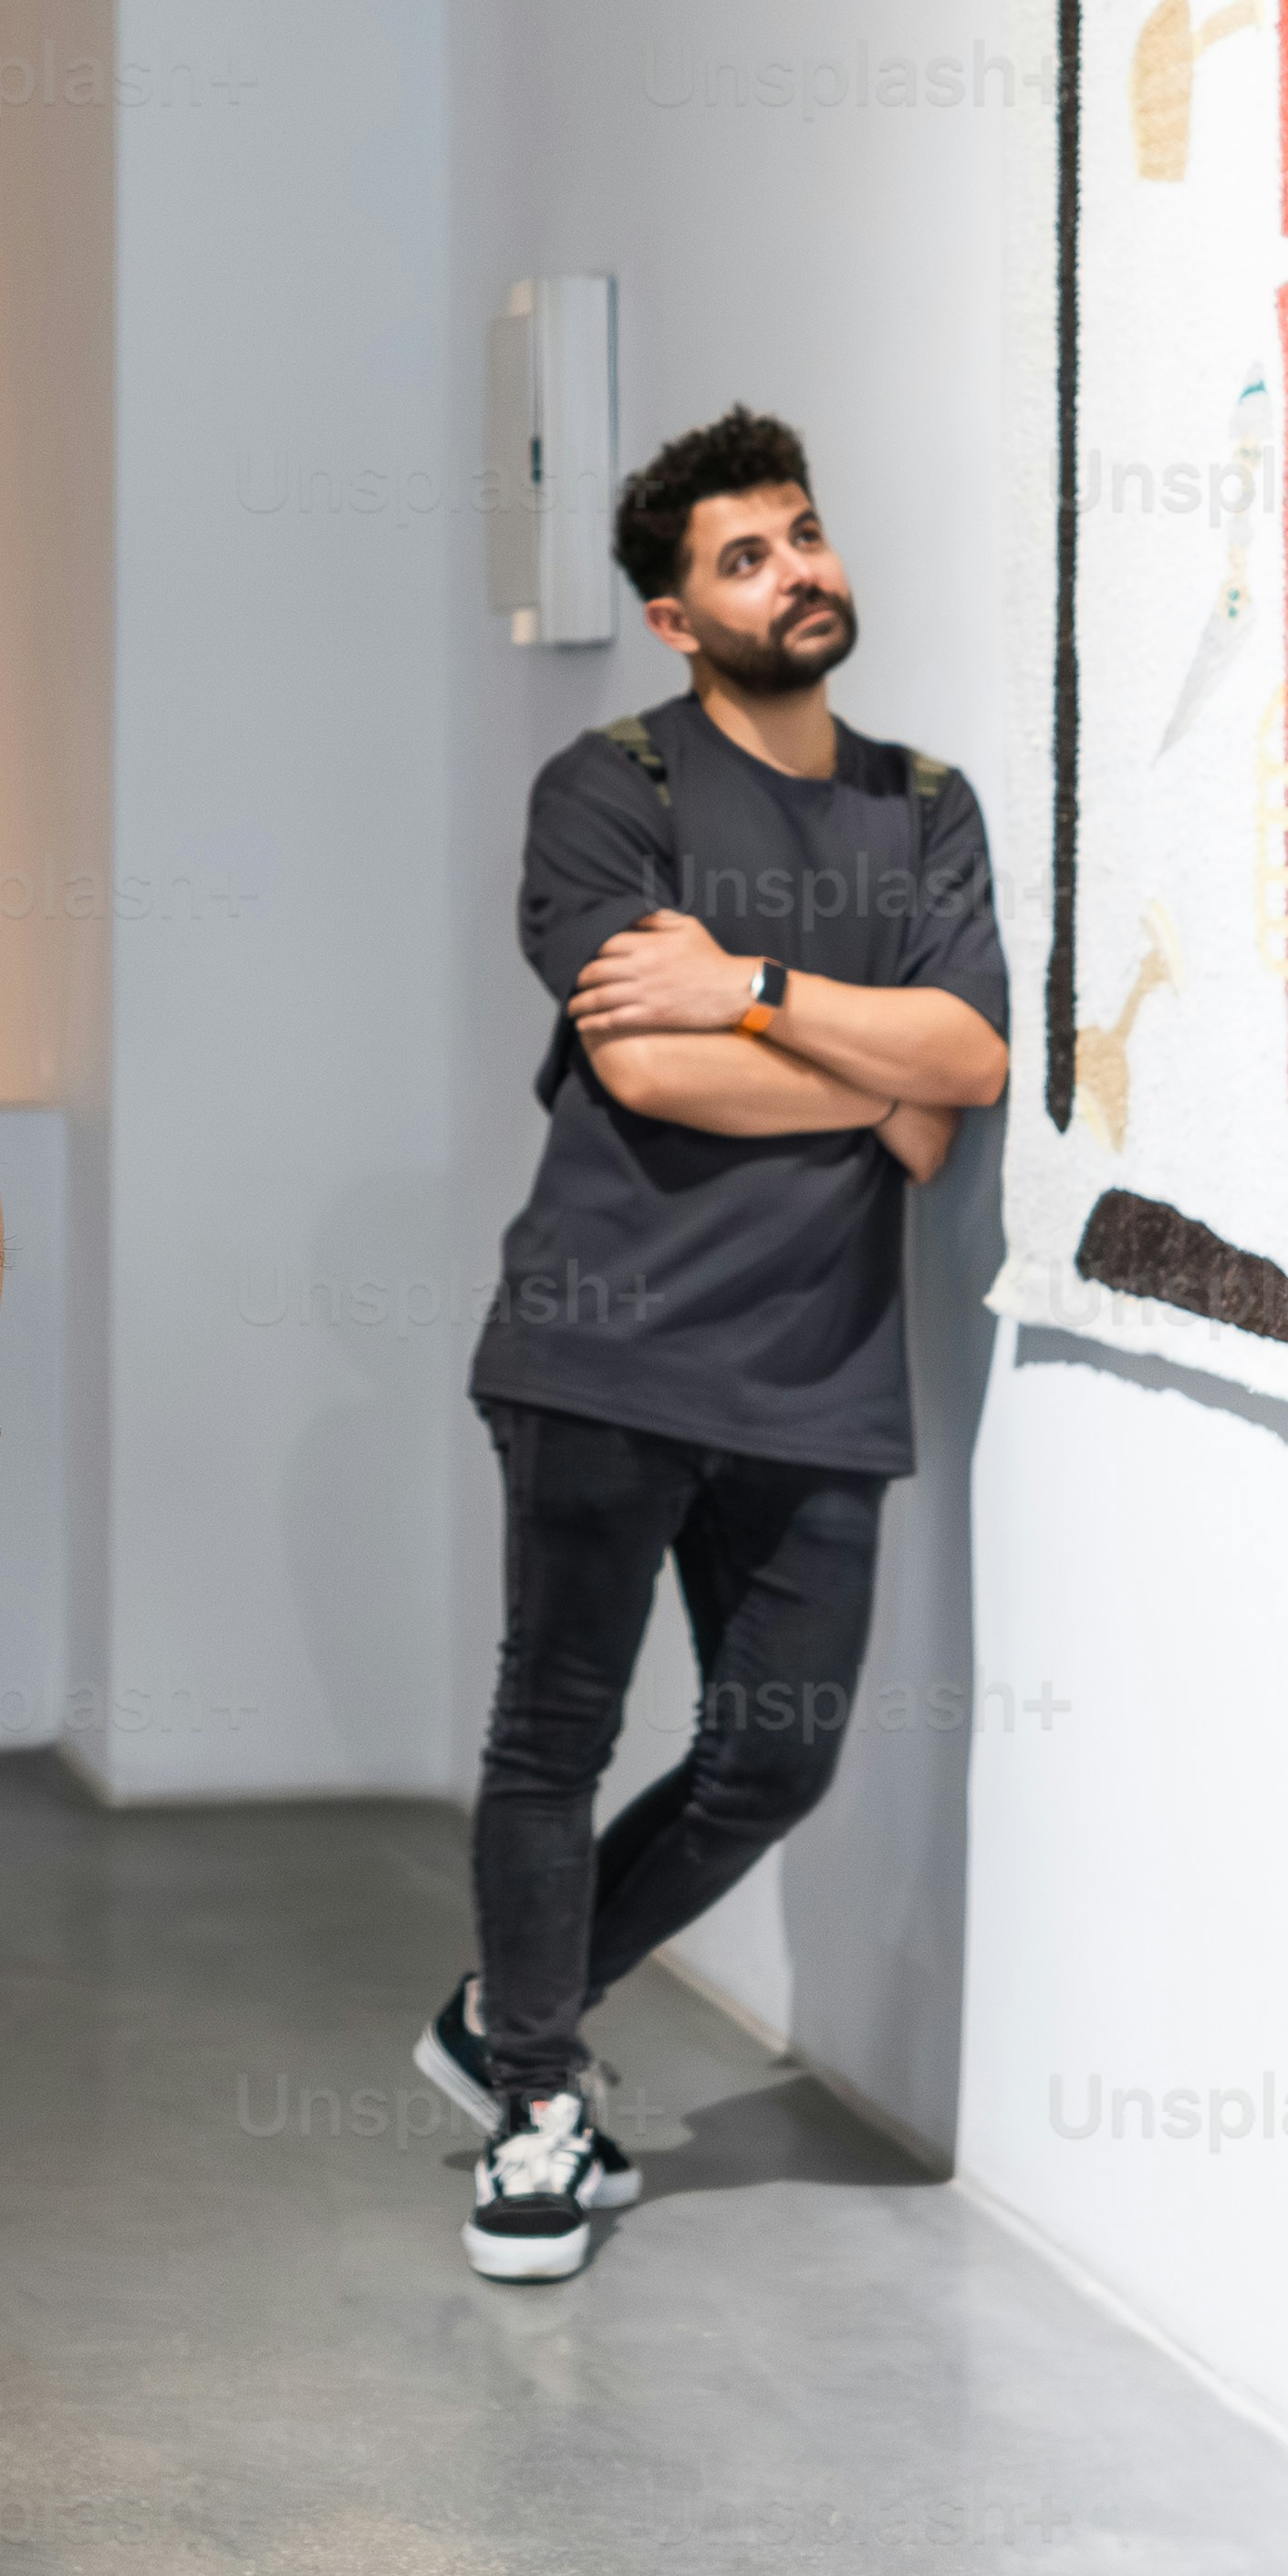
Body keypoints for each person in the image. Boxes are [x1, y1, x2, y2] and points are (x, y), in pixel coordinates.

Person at [437, 412, 1012, 2285]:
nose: (796, 572)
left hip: (818, 1373)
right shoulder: (611, 788)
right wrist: (869, 1070)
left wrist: (755, 988)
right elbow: (643, 1062)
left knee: (773, 1757)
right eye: (745, 557)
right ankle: (534, 2098)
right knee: (558, 1734)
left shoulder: (924, 803)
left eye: (806, 534)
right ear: (678, 619)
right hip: (599, 1350)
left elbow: (975, 1065)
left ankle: (501, 2007)